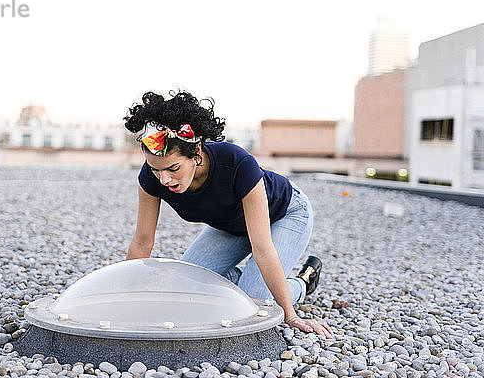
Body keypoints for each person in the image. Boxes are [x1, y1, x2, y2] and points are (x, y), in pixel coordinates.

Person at [124, 91, 333, 338]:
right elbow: (142, 241)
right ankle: (250, 281)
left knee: (255, 302)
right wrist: (128, 300)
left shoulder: (237, 163)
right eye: (156, 169)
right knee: (185, 287)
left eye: (173, 168)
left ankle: (302, 283)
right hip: (231, 226)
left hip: (285, 214)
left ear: (196, 152)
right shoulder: (151, 178)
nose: (164, 178)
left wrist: (290, 315)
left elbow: (263, 249)